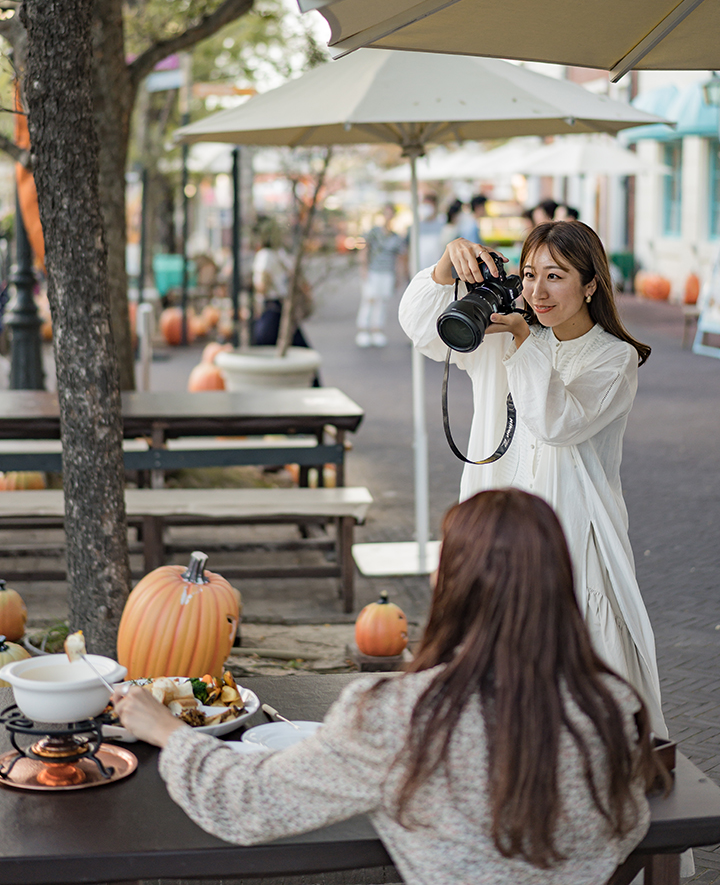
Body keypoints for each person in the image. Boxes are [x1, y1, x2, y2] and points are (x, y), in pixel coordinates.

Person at [113, 488, 661, 885]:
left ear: (451, 586)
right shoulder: (610, 706)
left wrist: (168, 731)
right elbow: (624, 827)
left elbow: (251, 803)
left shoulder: (401, 715)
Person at [399, 221, 666, 733]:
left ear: (590, 284)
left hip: (572, 537)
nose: (536, 292)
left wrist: (523, 338)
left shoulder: (615, 359)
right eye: (527, 275)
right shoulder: (501, 337)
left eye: (555, 276)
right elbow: (420, 330)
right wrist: (444, 266)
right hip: (497, 532)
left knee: (573, 685)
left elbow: (556, 422)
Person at [252, 223, 312, 349]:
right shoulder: (280, 254)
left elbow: (261, 285)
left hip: (271, 306)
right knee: (296, 345)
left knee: (263, 345)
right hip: (284, 304)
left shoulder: (265, 256)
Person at [356, 203, 406, 348]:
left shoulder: (396, 237)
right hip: (373, 270)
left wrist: (399, 276)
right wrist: (363, 269)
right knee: (369, 299)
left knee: (382, 301)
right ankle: (363, 329)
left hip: (387, 272)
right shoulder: (374, 232)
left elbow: (399, 257)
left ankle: (376, 329)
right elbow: (365, 250)